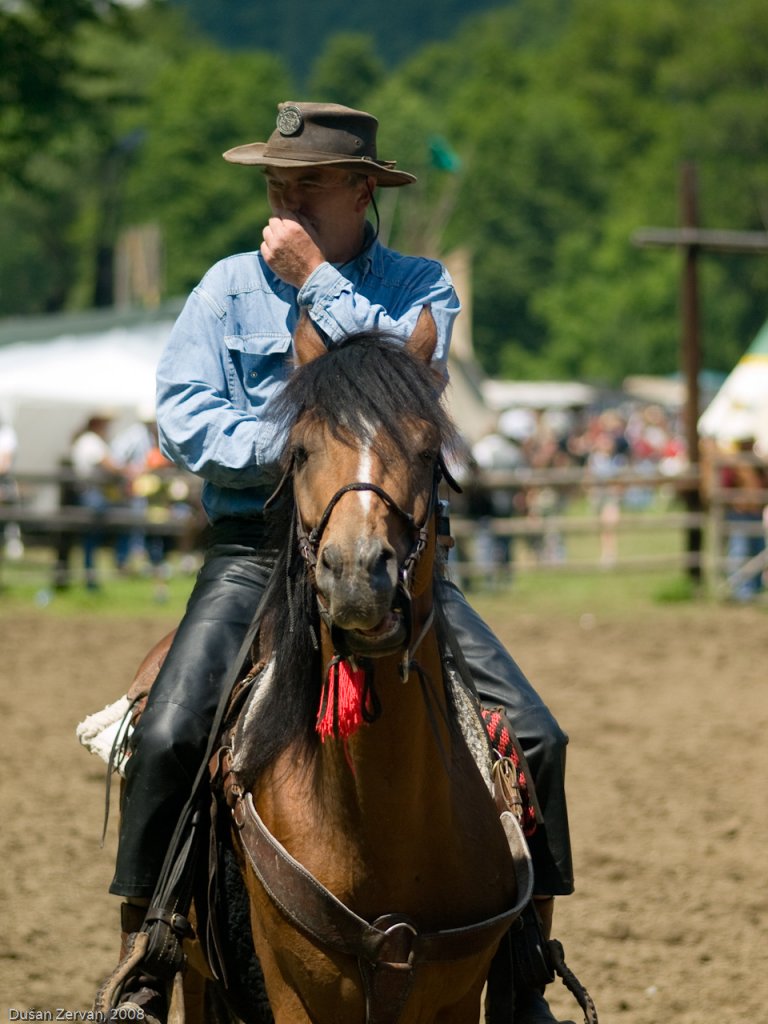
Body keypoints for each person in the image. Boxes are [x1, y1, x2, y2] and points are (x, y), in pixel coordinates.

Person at [109, 102, 574, 1024]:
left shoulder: (421, 287)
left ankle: (523, 973)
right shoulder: (224, 291)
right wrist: (292, 449)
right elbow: (184, 414)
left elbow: (411, 375)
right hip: (258, 550)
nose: (283, 195)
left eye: (308, 180)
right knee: (166, 735)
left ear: (363, 191)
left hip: (398, 562)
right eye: (277, 179)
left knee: (536, 738)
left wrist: (317, 281)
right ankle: (151, 952)